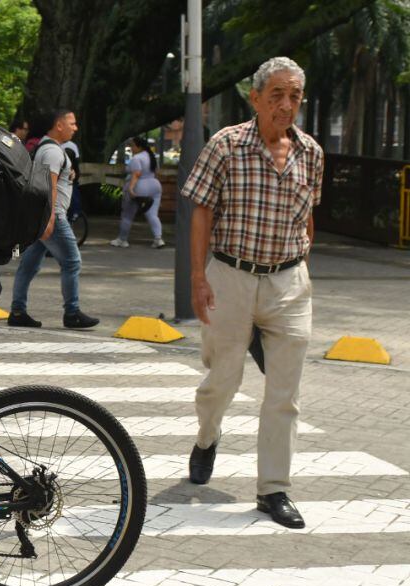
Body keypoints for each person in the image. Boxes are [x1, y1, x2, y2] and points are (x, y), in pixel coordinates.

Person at [182, 57, 322, 529]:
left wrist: (303, 269)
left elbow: (308, 217)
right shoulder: (226, 145)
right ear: (256, 97)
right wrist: (198, 278)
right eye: (277, 95)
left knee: (285, 394)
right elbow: (201, 211)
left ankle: (273, 490)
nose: (286, 105)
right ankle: (207, 437)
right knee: (223, 379)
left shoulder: (312, 153)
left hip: (288, 282)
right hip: (231, 276)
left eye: (295, 97)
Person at [7, 109, 99, 330]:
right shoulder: (52, 152)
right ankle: (72, 313)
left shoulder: (50, 150)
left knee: (28, 265)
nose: (75, 128)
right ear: (59, 125)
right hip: (53, 216)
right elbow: (49, 186)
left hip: (44, 216)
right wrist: (49, 220)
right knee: (72, 261)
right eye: (72, 123)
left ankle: (18, 311)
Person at [111, 136, 165, 248]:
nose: (131, 148)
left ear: (139, 146)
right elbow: (157, 172)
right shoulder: (152, 157)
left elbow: (136, 174)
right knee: (152, 214)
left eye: (132, 145)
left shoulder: (137, 159)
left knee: (127, 215)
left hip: (139, 186)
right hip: (155, 185)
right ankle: (158, 238)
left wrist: (131, 188)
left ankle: (122, 239)